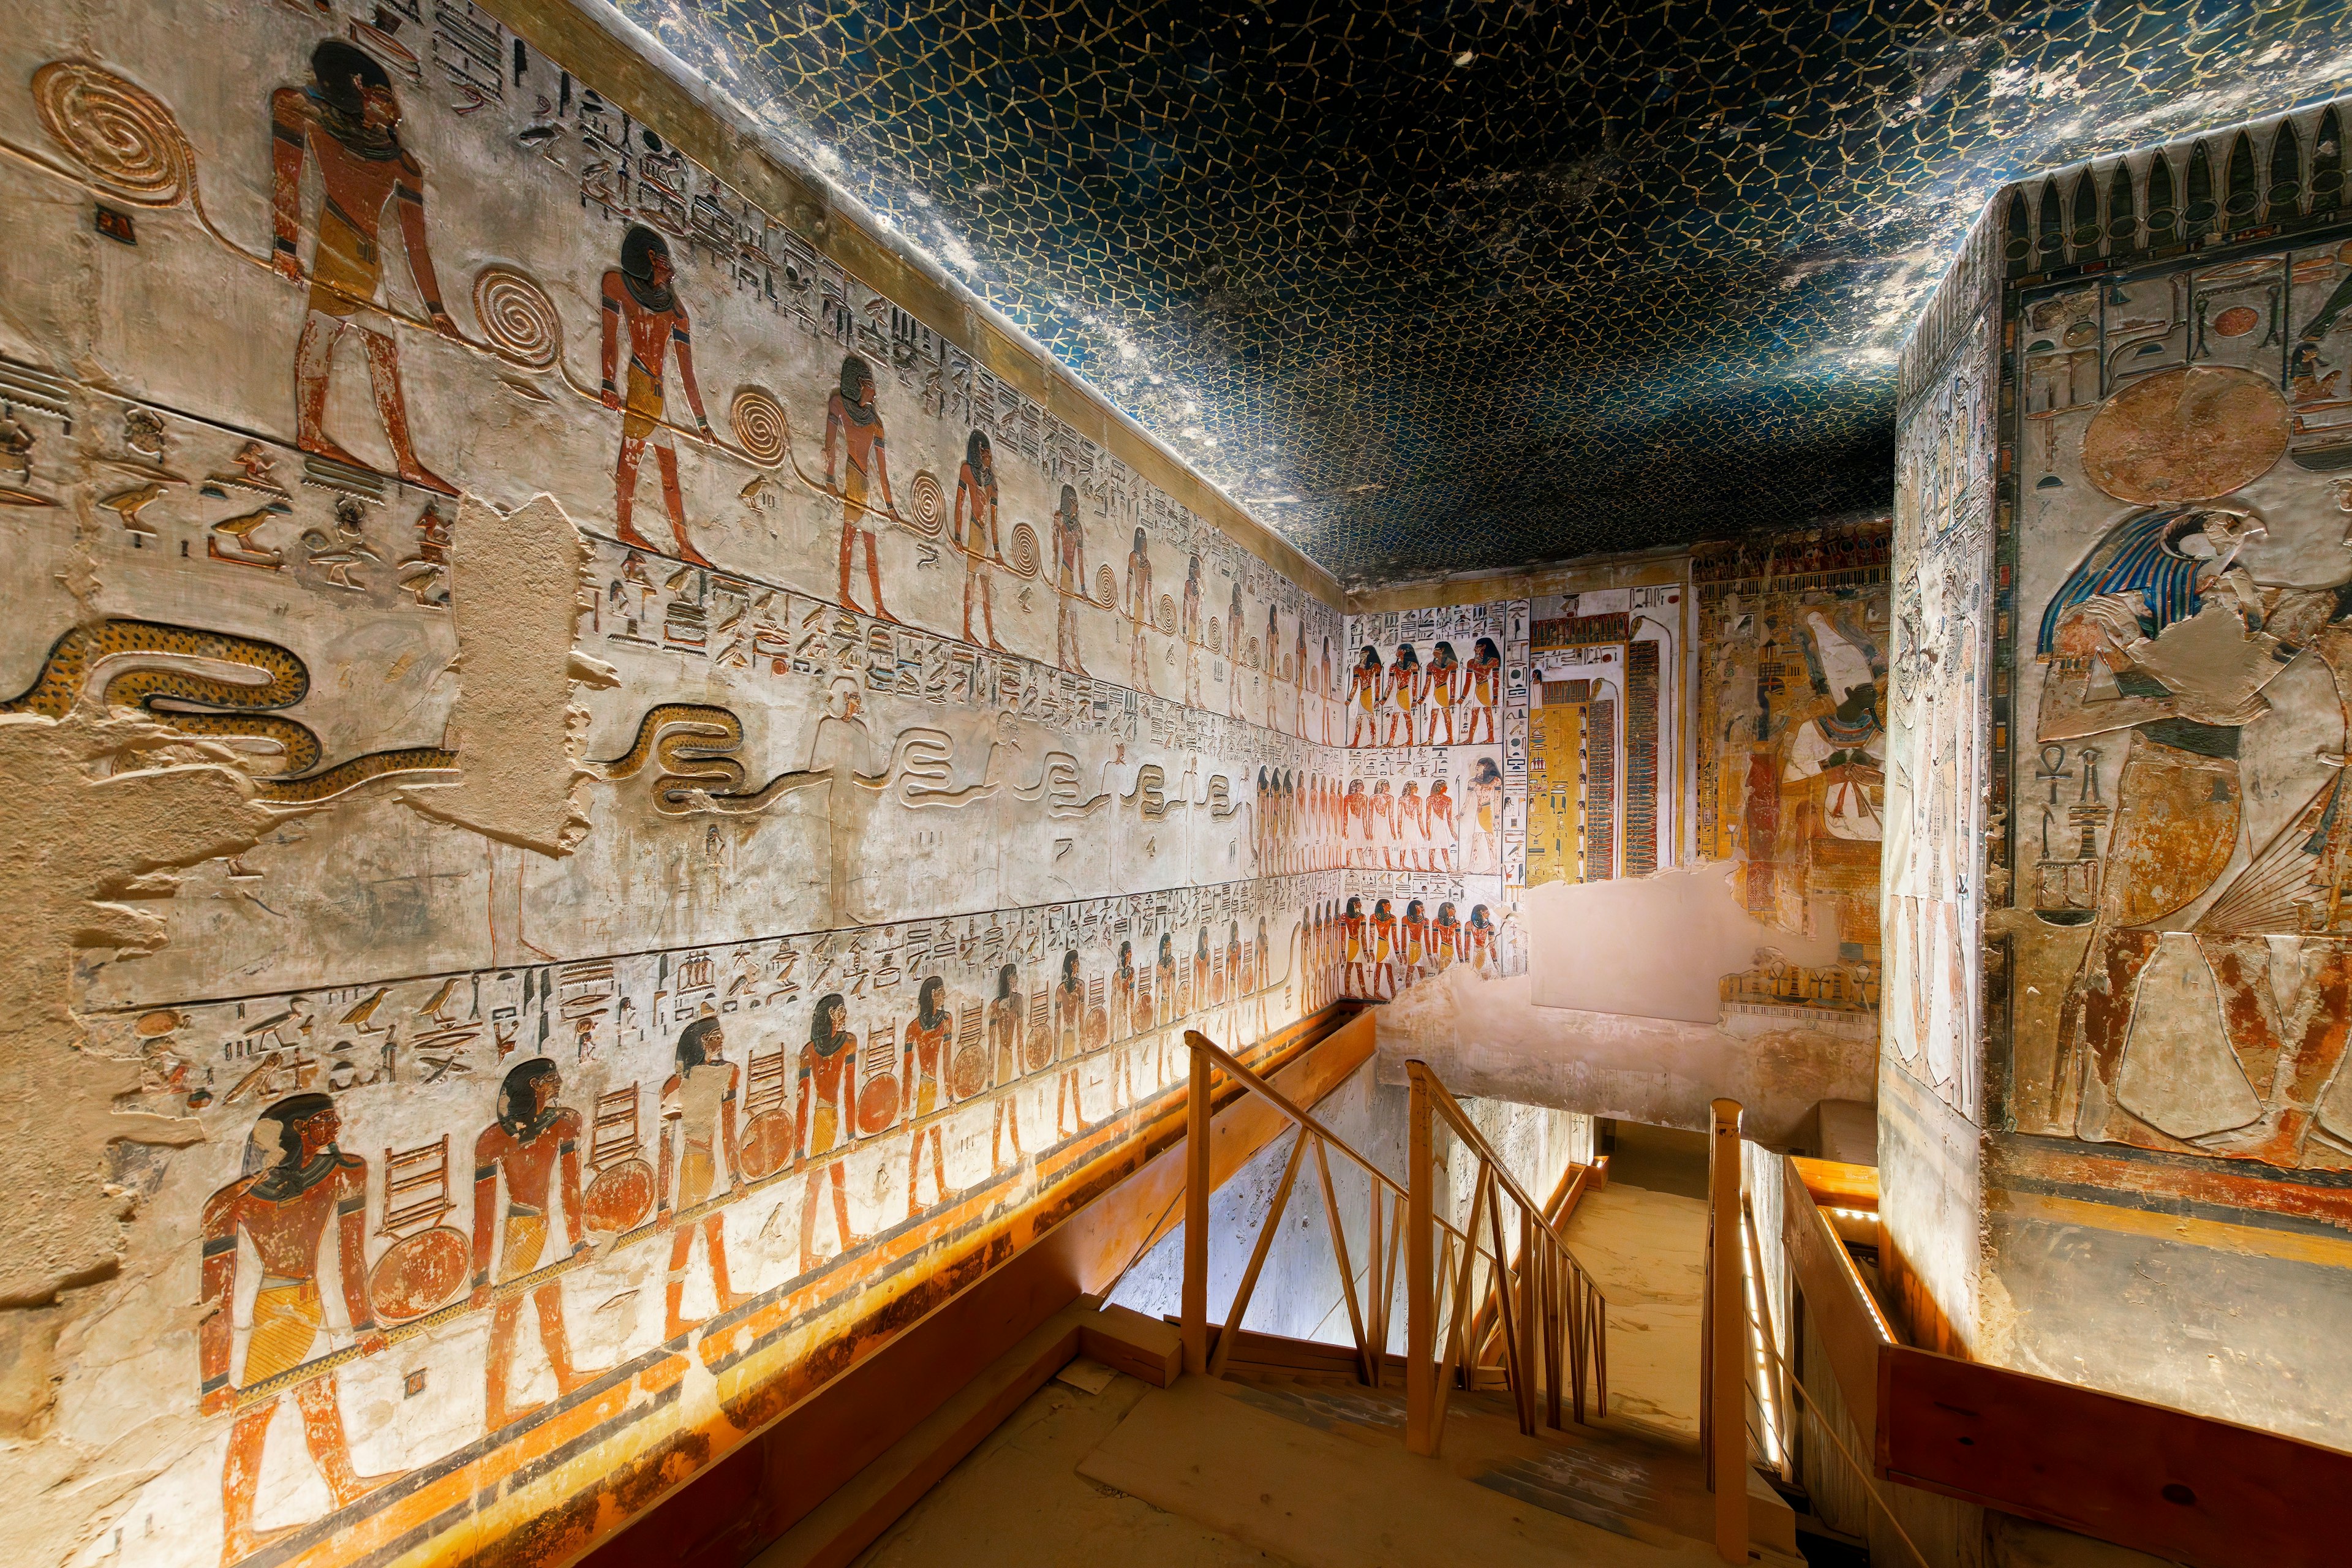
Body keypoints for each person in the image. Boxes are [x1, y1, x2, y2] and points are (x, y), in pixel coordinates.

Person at [202, 1093, 394, 1563]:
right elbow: (215, 1300)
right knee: (254, 1419)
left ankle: (344, 1486)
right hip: (277, 1315)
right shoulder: (233, 1202)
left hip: (309, 1308)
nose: (340, 1123)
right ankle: (236, 1538)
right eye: (328, 1119)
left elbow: (352, 1258)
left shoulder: (347, 1172)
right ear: (304, 1129)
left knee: (320, 1402)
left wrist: (365, 1325)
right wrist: (214, 1380)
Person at [271, 41, 458, 495]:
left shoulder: (401, 162)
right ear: (358, 88)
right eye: (385, 95)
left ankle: (406, 461)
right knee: (324, 335)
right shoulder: (302, 112)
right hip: (334, 244)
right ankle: (313, 433)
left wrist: (436, 309)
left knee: (380, 353)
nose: (395, 109)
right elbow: (286, 180)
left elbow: (416, 245)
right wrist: (285, 247)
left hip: (369, 259)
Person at [472, 1059, 597, 1431]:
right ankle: (495, 1410)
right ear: (534, 1085)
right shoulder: (493, 1139)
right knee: (507, 1317)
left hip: (546, 1227)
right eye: (551, 1079)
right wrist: (480, 1277)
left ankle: (565, 1378)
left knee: (550, 1307)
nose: (559, 1083)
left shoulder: (564, 1123)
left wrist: (577, 1243)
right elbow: (484, 1210)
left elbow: (570, 1187)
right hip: (522, 1229)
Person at [597, 225, 715, 564]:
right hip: (638, 380)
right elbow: (609, 340)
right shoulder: (617, 285)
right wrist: (609, 385)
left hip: (658, 390)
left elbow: (687, 373)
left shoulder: (677, 312)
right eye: (664, 261)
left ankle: (682, 544)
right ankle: (623, 526)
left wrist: (702, 421)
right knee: (633, 456)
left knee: (668, 466)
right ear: (648, 259)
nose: (672, 270)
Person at [659, 1013, 746, 1338]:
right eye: (711, 1037)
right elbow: (667, 1147)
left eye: (719, 1035)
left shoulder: (728, 1073)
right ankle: (671, 1321)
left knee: (716, 1226)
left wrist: (736, 1177)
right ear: (698, 1044)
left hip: (711, 1162)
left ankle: (724, 1296)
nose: (719, 1041)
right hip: (691, 1164)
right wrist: (663, 1204)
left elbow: (729, 1130)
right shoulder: (676, 1085)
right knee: (684, 1237)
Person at [824, 353, 903, 621]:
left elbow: (882, 471)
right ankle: (845, 595)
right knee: (850, 536)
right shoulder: (839, 405)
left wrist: (890, 506)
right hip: (852, 477)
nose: (875, 393)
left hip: (865, 483)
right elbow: (830, 445)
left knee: (868, 542)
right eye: (871, 385)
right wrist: (830, 480)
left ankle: (878, 606)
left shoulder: (875, 423)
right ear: (859, 383)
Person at [796, 993, 867, 1272]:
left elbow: (849, 1090)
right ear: (828, 1016)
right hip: (822, 1119)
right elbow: (803, 1102)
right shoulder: (810, 1052)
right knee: (813, 1186)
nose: (844, 1014)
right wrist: (800, 1151)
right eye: (838, 1011)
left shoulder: (849, 1043)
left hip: (835, 1117)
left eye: (843, 1010)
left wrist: (851, 1135)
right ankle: (805, 1256)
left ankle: (846, 1236)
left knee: (838, 1178)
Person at [902, 976, 956, 1216]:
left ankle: (941, 1188)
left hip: (935, 1088)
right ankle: (912, 1200)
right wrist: (905, 1112)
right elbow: (907, 1071)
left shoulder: (946, 1021)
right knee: (920, 1140)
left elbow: (947, 1061)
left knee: (935, 1137)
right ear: (930, 996)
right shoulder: (914, 1027)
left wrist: (951, 1098)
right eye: (940, 992)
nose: (944, 995)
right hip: (924, 1088)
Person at [952, 430, 1005, 649]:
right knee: (971, 582)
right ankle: (966, 630)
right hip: (974, 531)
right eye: (985, 453)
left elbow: (993, 521)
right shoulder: (967, 471)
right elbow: (959, 503)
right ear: (978, 452)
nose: (989, 457)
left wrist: (997, 551)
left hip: (983, 534)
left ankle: (991, 638)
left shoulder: (992, 484)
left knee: (985, 588)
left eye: (990, 454)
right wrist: (957, 536)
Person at [988, 964, 1026, 1168]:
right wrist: (990, 1082)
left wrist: (1022, 1071)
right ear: (1006, 981)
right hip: (1002, 1060)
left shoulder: (1018, 1001)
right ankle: (994, 1161)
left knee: (1012, 1108)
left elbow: (1020, 1037)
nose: (1015, 981)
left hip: (1010, 1059)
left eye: (1016, 978)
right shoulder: (996, 1005)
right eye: (1012, 979)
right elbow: (991, 1045)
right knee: (1000, 1110)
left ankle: (1017, 1150)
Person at [1053, 483, 1089, 674]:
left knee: (1073, 619)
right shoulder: (1059, 521)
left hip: (1072, 578)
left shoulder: (1078, 529)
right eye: (1073, 501)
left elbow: (1081, 561)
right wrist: (1053, 577)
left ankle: (1076, 662)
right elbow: (1055, 550)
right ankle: (1061, 659)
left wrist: (1083, 589)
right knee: (1063, 617)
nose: (1076, 506)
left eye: (1077, 502)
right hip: (1062, 574)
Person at [1052, 949, 1086, 1137]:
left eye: (1078, 963)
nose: (1077, 967)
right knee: (1064, 1083)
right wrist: (1057, 1058)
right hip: (1065, 1038)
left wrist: (1082, 1046)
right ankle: (1059, 1127)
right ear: (1068, 966)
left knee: (1075, 1081)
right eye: (1074, 964)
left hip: (1073, 1038)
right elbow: (1057, 1025)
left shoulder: (1080, 987)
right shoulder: (1061, 990)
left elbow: (1081, 1018)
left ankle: (1079, 1119)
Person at [1126, 527, 1157, 693]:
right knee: (1136, 643)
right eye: (1144, 541)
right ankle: (1132, 679)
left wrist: (1153, 618)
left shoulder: (1148, 564)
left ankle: (1146, 683)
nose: (1146, 545)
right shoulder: (1133, 557)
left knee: (1144, 644)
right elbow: (1129, 582)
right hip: (1137, 604)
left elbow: (1150, 594)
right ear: (1140, 543)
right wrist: (1128, 608)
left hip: (1143, 606)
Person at [1466, 755, 1504, 873]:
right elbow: (1468, 800)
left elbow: (1497, 800)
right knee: (1476, 838)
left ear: (1486, 766)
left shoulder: (1496, 781)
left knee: (1490, 839)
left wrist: (1497, 817)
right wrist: (1461, 814)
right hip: (1479, 812)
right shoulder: (1473, 781)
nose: (1477, 767)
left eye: (1480, 765)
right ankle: (1471, 867)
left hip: (1487, 812)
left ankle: (1494, 868)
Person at [1464, 638, 1502, 744]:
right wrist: (1463, 697)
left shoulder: (1493, 661)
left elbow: (1496, 681)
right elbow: (1468, 681)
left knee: (1487, 712)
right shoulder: (1472, 662)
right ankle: (1470, 738)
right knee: (1474, 712)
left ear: (1484, 647)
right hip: (1478, 687)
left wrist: (1495, 698)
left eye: (1478, 647)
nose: (1475, 649)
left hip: (1485, 687)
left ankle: (1491, 738)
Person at [1384, 643, 1423, 747]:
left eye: (1399, 650)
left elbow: (1415, 684)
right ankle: (1391, 741)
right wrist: (1384, 699)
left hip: (1406, 694)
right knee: (1396, 717)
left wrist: (1415, 700)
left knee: (1405, 716)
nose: (1397, 652)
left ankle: (1409, 740)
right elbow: (1390, 685)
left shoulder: (1413, 666)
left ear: (1404, 652)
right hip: (1399, 694)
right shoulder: (1393, 667)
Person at [1425, 642, 1463, 746]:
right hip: (1436, 692)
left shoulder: (1451, 664)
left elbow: (1453, 681)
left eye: (1437, 649)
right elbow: (1427, 683)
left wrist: (1452, 698)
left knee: (1446, 713)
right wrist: (1423, 697)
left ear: (1443, 650)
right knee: (1434, 714)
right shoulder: (1431, 665)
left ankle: (1450, 739)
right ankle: (1430, 739)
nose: (1434, 652)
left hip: (1444, 691)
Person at [1349, 646, 1384, 747]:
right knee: (1359, 719)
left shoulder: (1375, 667)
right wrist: (1349, 699)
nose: (1362, 655)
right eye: (1362, 653)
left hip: (1369, 694)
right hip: (1362, 695)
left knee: (1370, 718)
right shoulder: (1357, 668)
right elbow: (1355, 686)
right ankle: (1355, 743)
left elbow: (1377, 684)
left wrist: (1377, 699)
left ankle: (1374, 743)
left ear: (1369, 655)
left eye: (1365, 654)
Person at [1182, 557, 1203, 704]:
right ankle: (1187, 696)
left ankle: (1198, 699)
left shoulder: (1200, 589)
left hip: (1197, 627)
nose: (1200, 572)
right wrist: (1184, 630)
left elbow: (1201, 614)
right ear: (1193, 570)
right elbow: (1185, 608)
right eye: (1198, 569)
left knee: (1197, 664)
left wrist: (1202, 636)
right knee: (1190, 662)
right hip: (1190, 625)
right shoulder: (1188, 585)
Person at [1426, 777, 1457, 872]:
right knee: (1438, 846)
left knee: (1440, 846)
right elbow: (1428, 816)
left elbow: (1449, 817)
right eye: (1445, 787)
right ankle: (1439, 867)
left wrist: (1452, 832)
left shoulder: (1447, 799)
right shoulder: (1432, 799)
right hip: (1437, 823)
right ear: (1440, 788)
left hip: (1439, 823)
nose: (1447, 788)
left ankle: (1446, 867)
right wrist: (1428, 830)